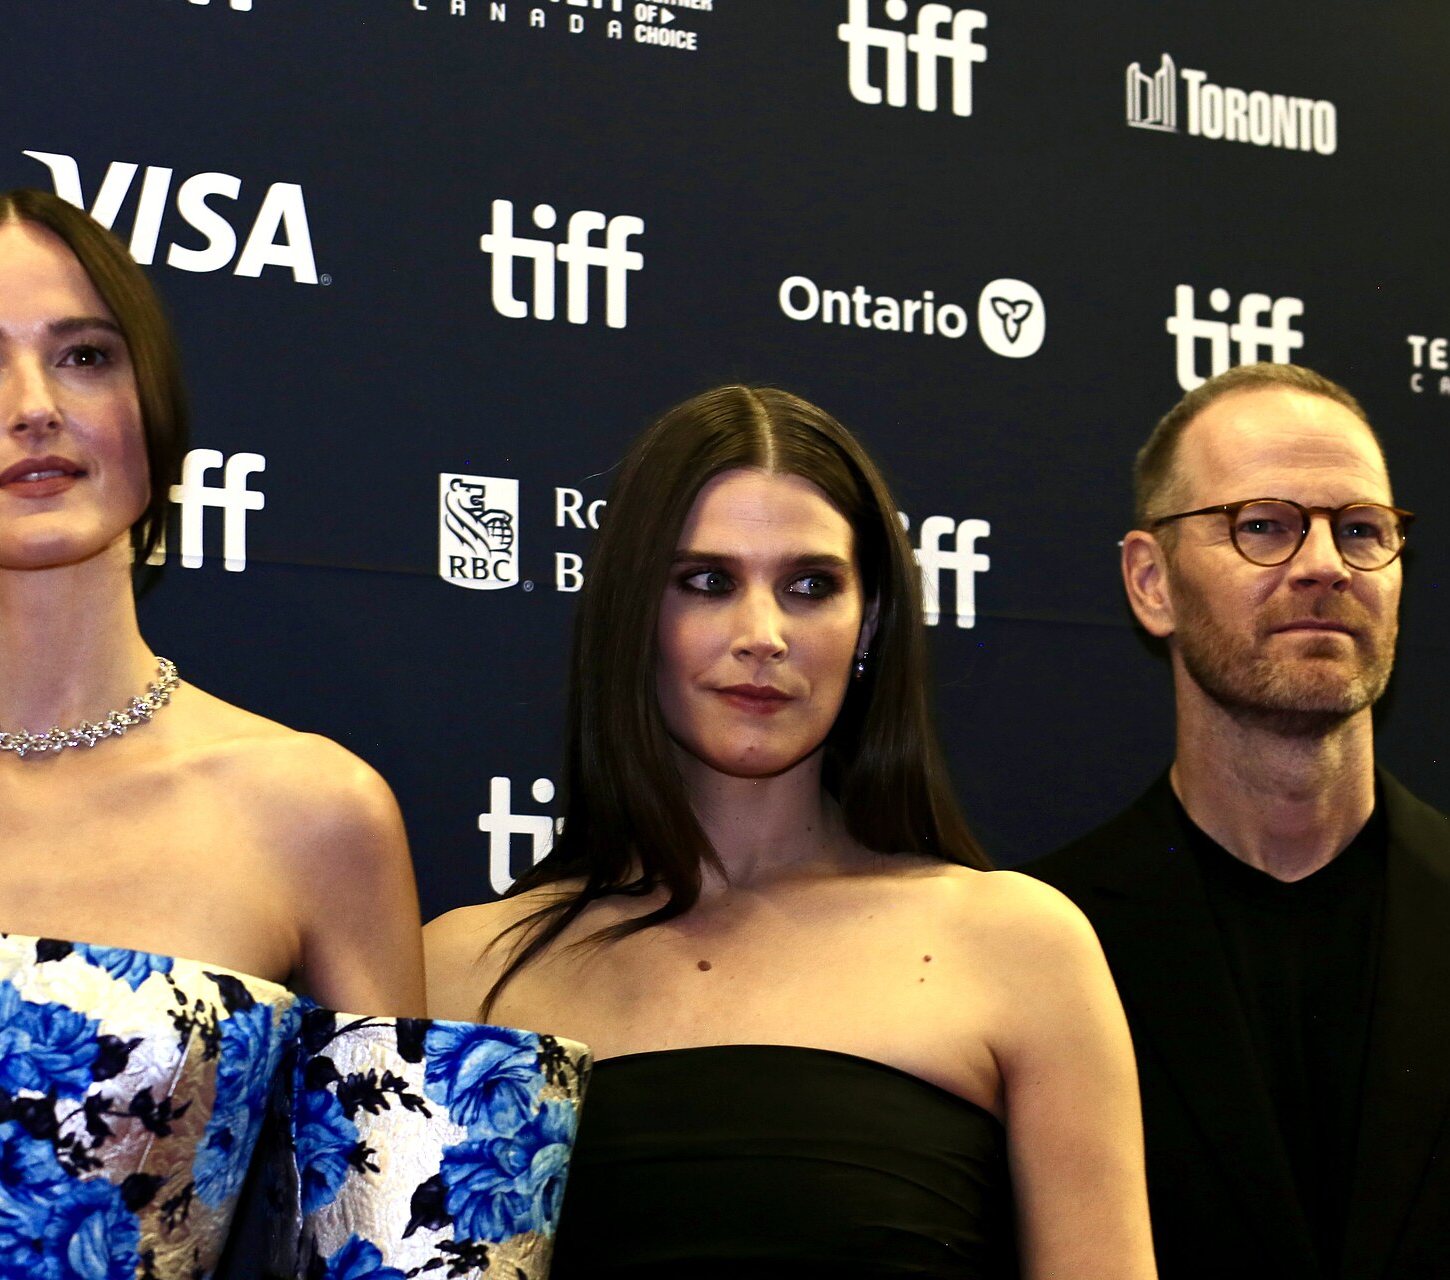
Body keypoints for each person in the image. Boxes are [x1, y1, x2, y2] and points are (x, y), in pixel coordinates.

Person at [0, 190, 427, 1273]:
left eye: (85, 356)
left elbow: (391, 1244)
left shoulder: (319, 812)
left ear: (156, 408)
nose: (36, 406)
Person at [420, 384, 1155, 1280]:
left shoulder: (1022, 948)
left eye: (810, 586)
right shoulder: (460, 976)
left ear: (869, 622)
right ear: (631, 616)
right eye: (707, 582)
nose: (762, 634)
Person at [1024, 362, 1450, 1279]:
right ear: (1151, 582)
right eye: (1264, 527)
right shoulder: (1045, 940)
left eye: (1363, 530)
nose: (1326, 566)